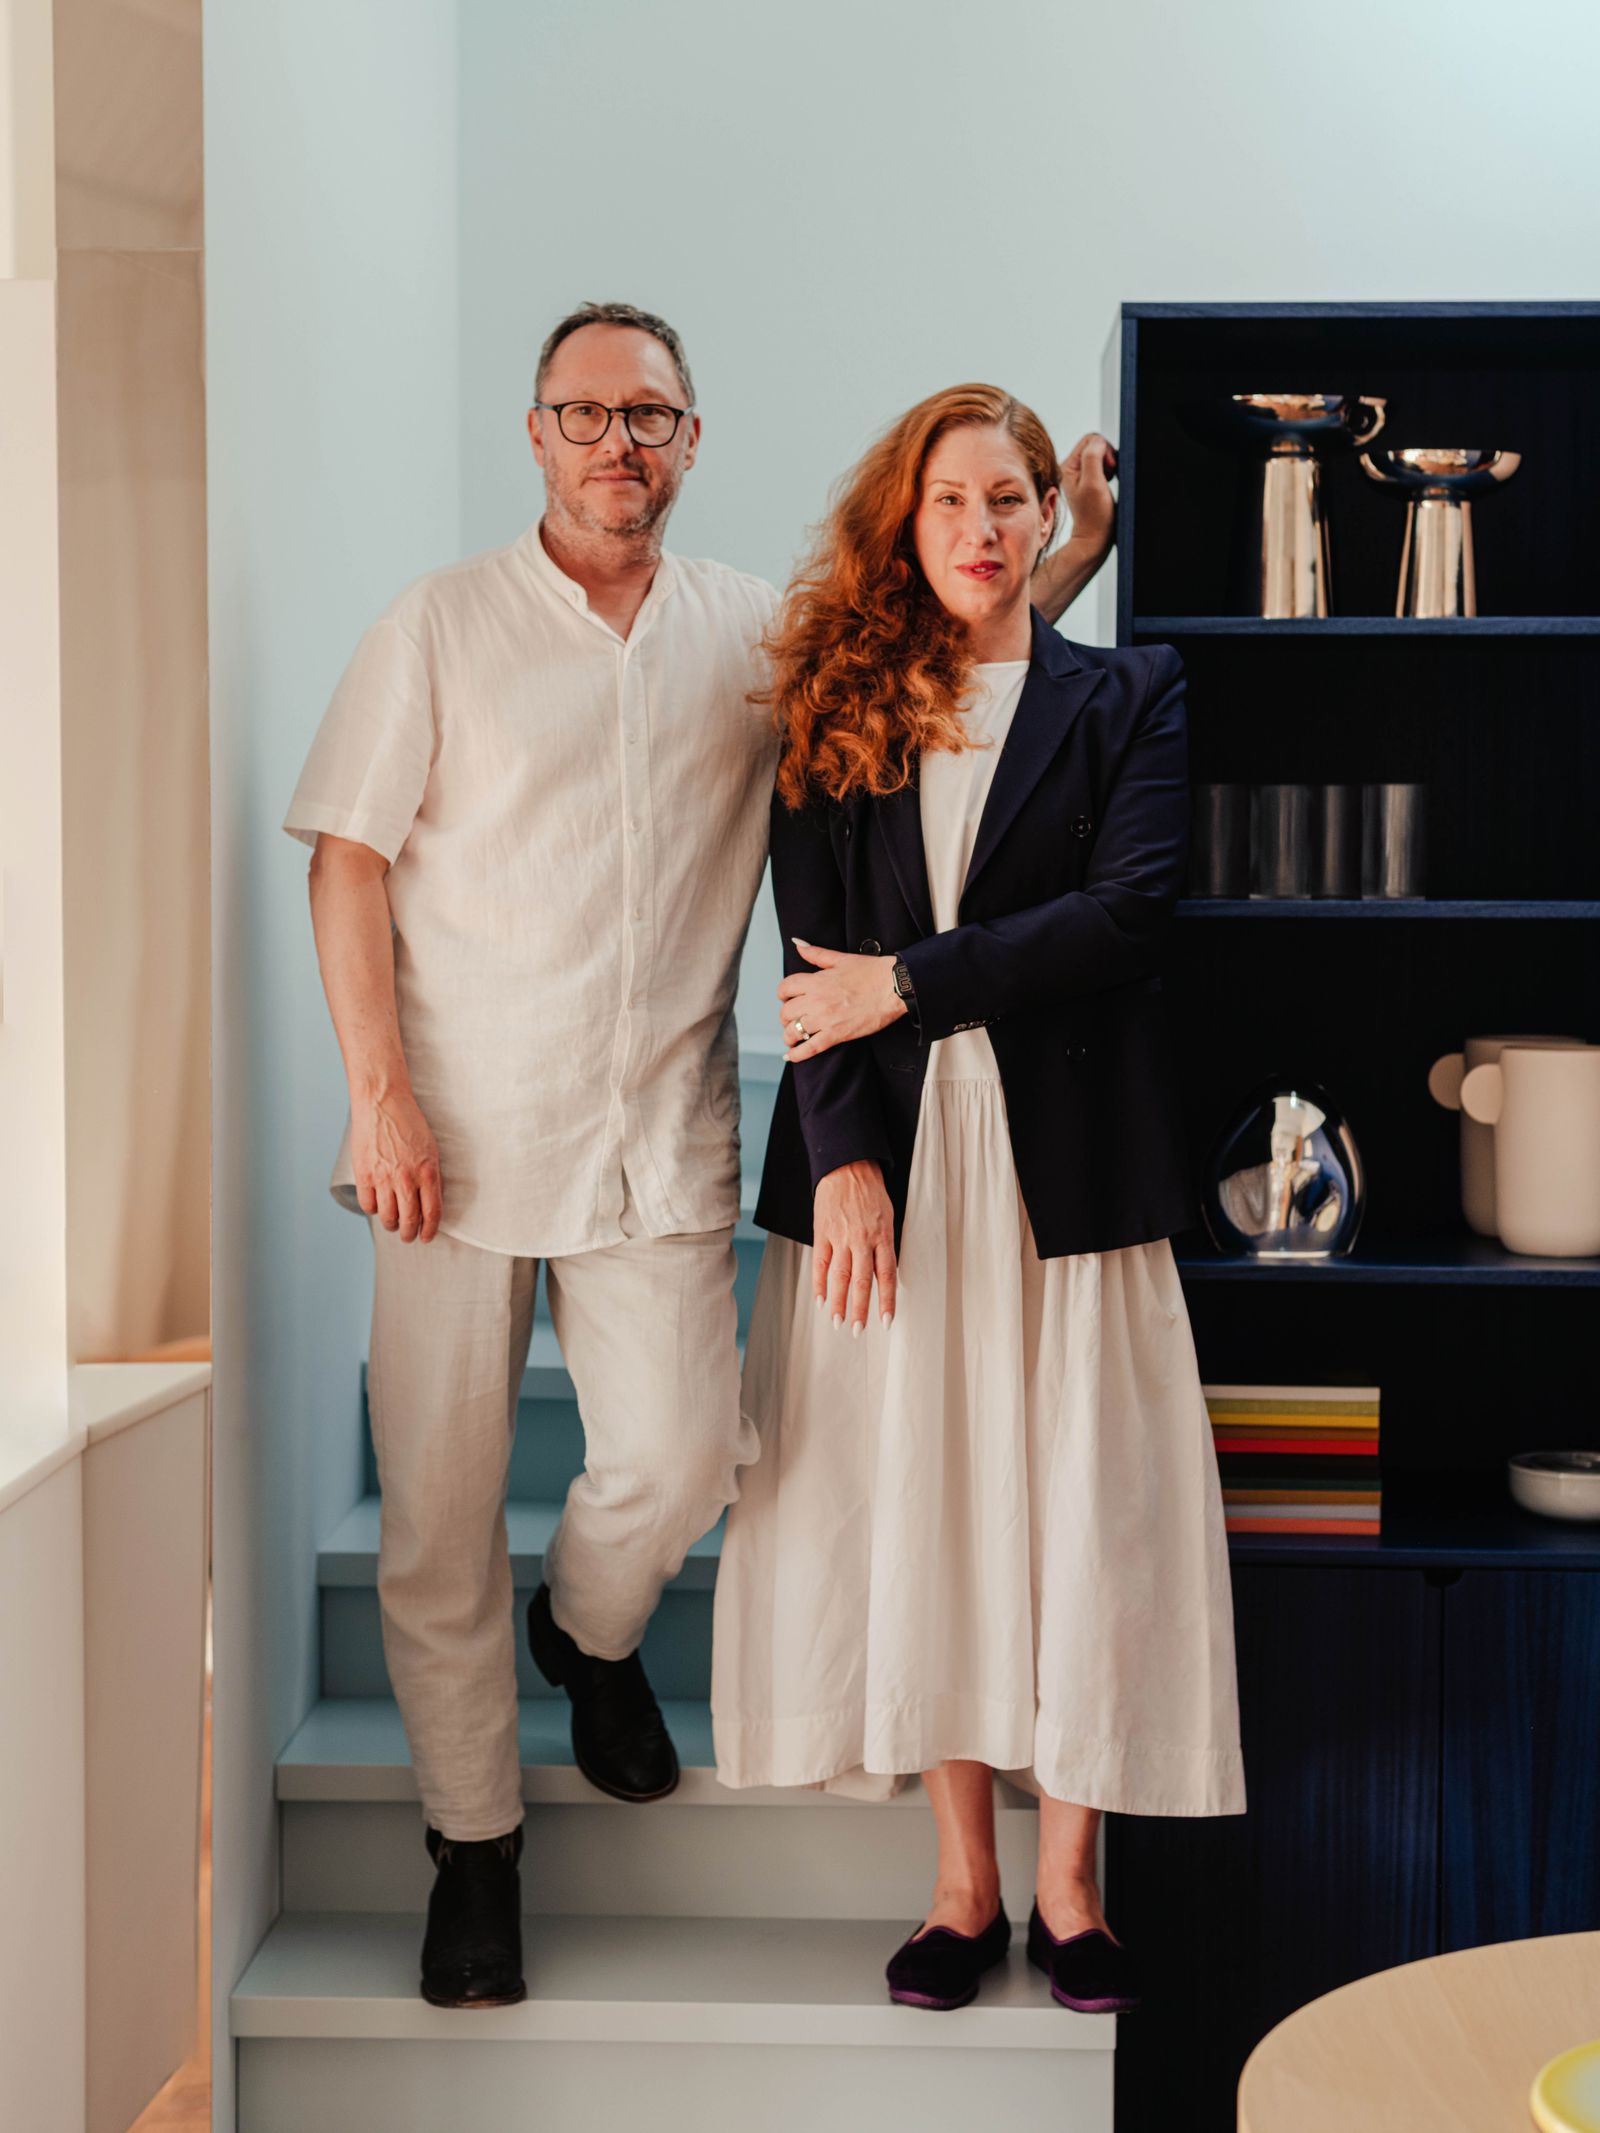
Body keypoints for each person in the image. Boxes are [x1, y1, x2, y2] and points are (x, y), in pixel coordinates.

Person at [284, 304, 1120, 2009]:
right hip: (447, 1139)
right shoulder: (435, 626)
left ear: (690, 439)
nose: (620, 442)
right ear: (536, 432)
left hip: (656, 1136)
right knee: (437, 1520)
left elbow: (946, 659)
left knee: (679, 1460)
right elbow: (347, 861)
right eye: (587, 412)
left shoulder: (753, 634)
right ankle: (475, 1848)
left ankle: (585, 1632)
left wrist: (1070, 552)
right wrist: (377, 1096)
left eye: (651, 416)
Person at [711, 384, 1246, 2017]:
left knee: (1083, 1501)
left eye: (1008, 497)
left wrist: (908, 984)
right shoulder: (839, 704)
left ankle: (1072, 1890)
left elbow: (1125, 916)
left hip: (1070, 1159)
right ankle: (964, 1885)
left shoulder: (1130, 691)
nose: (981, 526)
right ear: (907, 519)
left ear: (1045, 516)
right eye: (949, 499)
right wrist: (845, 1160)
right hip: (891, 1159)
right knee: (924, 1491)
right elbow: (812, 972)